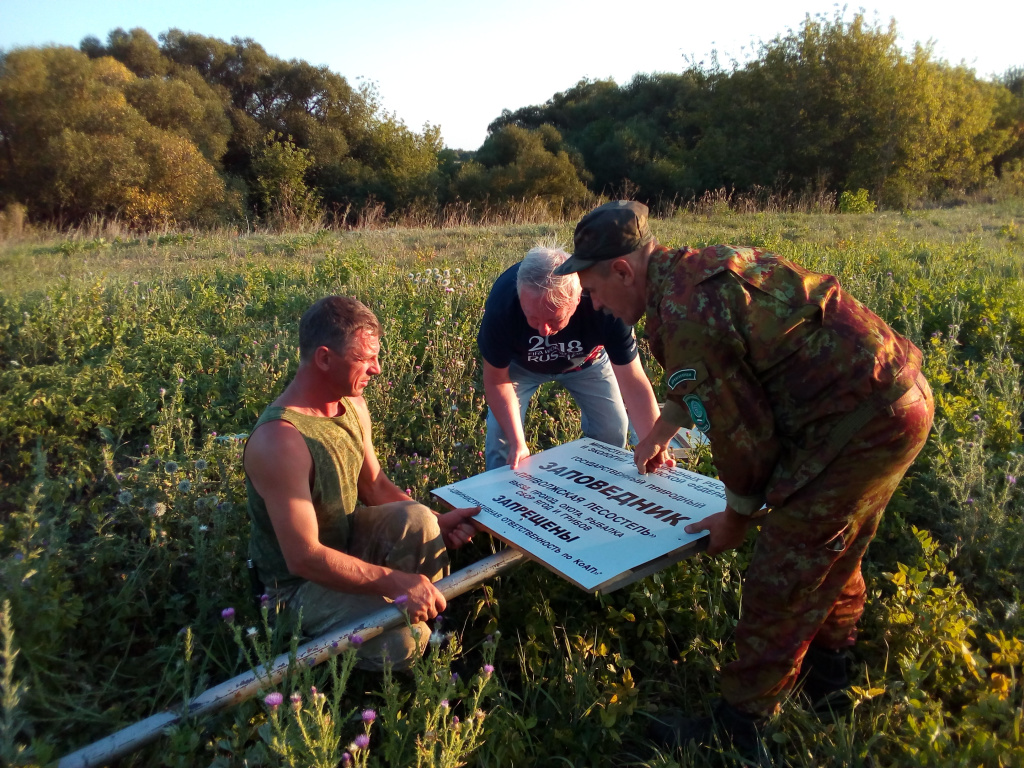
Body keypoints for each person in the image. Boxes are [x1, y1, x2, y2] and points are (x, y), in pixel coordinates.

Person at [554, 201, 934, 753]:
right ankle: (831, 673)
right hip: (894, 397)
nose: (593, 304)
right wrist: (662, 426)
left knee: (784, 569)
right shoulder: (692, 269)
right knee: (832, 546)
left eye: (591, 288)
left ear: (622, 270)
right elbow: (731, 368)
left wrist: (736, 519)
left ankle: (741, 728)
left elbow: (744, 438)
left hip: (855, 423)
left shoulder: (684, 316)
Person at [244, 295, 480, 670]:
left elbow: (375, 486)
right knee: (404, 639)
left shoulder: (351, 404)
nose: (378, 369)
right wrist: (393, 583)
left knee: (417, 520)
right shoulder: (281, 440)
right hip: (295, 587)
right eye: (365, 359)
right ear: (324, 358)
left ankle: (434, 620)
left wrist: (436, 520)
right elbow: (303, 557)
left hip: (346, 543)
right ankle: (383, 654)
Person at [478, 245, 667, 471]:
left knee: (613, 429)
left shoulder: (604, 303)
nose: (543, 331)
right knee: (503, 442)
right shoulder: (502, 306)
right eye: (533, 319)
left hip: (588, 362)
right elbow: (497, 380)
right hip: (521, 367)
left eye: (553, 319)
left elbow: (633, 382)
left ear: (578, 298)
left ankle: (596, 490)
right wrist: (518, 442)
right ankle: (499, 498)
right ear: (520, 299)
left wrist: (655, 443)